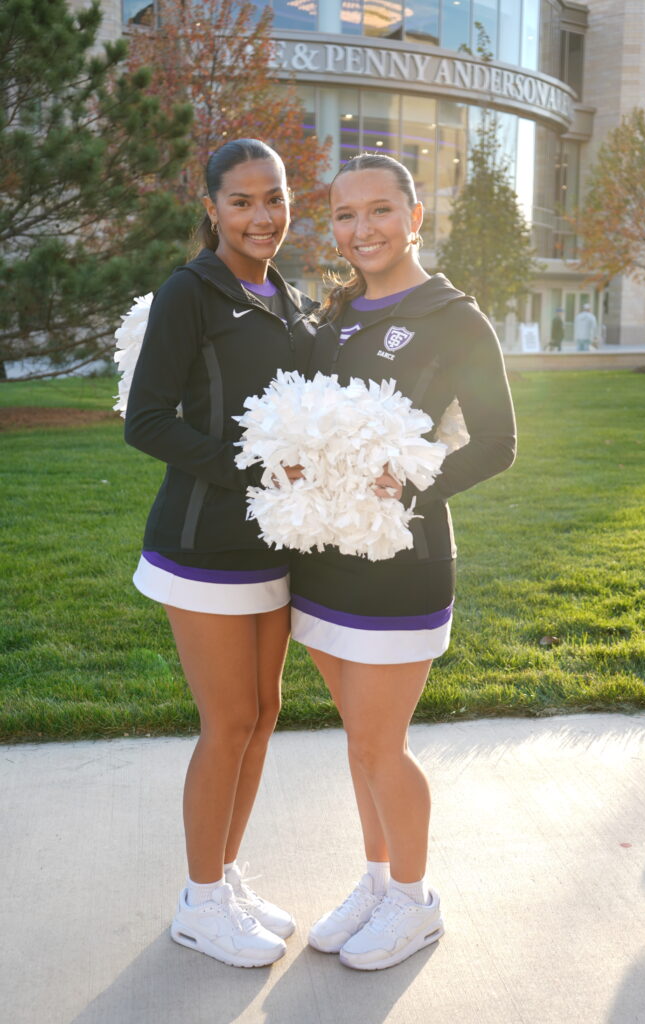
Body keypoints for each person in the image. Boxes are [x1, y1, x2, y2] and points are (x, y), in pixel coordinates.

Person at [288, 153, 516, 971]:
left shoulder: (455, 317)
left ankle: (416, 903)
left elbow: (497, 443)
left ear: (415, 217)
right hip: (320, 559)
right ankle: (379, 880)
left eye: (379, 211)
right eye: (344, 216)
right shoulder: (332, 315)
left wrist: (410, 483)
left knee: (382, 743)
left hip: (400, 557)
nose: (361, 231)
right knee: (357, 740)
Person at [124, 139, 317, 968]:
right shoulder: (189, 292)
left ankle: (224, 879)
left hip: (272, 542)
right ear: (210, 207)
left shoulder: (287, 295)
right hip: (201, 543)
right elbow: (148, 420)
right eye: (240, 201)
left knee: (265, 715)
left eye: (272, 198)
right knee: (228, 720)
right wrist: (251, 467)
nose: (260, 216)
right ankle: (199, 904)